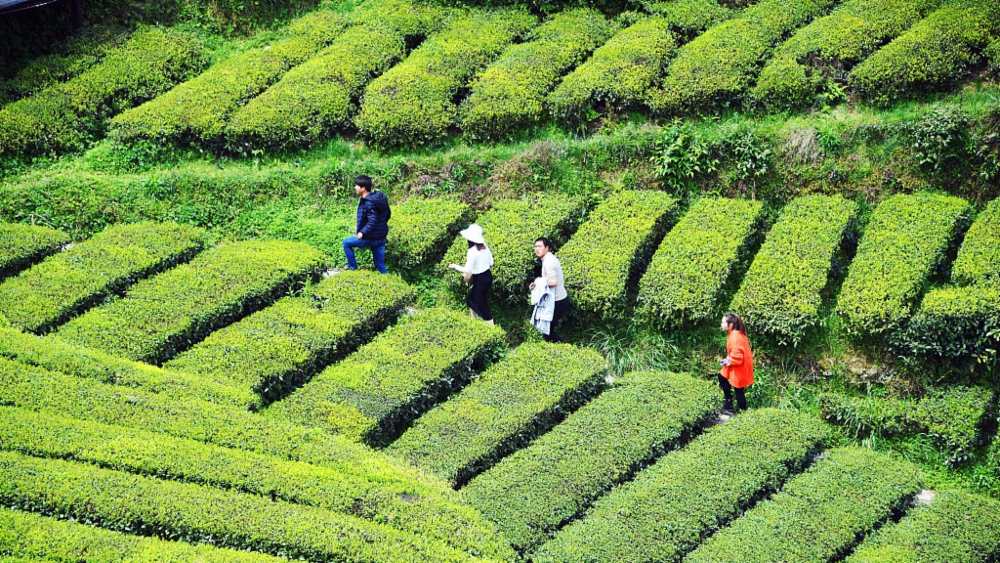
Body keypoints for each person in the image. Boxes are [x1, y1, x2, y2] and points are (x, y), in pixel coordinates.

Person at [342, 175, 391, 274]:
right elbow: (388, 214)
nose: (355, 187)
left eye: (357, 185)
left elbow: (372, 220)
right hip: (381, 237)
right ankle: (391, 284)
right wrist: (380, 227)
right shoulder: (377, 198)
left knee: (346, 243)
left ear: (363, 188)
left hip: (370, 238)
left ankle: (353, 268)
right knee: (380, 266)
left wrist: (362, 232)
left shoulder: (368, 202)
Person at [449, 224, 494, 324]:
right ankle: (474, 322)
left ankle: (491, 327)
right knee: (473, 300)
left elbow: (468, 271)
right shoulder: (484, 246)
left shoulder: (472, 251)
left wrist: (455, 267)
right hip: (487, 276)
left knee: (479, 304)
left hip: (480, 279)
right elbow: (491, 262)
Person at [530, 237, 567, 342]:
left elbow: (553, 282)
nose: (537, 249)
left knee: (547, 331)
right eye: (535, 246)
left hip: (557, 301)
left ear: (547, 248)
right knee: (548, 330)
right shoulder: (547, 259)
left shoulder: (549, 262)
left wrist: (539, 283)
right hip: (557, 300)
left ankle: (559, 347)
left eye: (540, 246)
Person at [718, 312, 754, 413]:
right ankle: (729, 403)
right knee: (722, 376)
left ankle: (742, 410)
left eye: (723, 322)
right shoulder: (734, 333)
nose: (721, 324)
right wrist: (727, 360)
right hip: (738, 364)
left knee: (739, 389)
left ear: (731, 325)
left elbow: (738, 357)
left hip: (740, 366)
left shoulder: (735, 337)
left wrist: (727, 361)